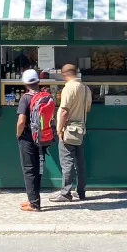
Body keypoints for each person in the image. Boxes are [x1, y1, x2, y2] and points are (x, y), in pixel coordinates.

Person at [50, 64, 92, 202]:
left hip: (68, 130)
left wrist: (59, 129)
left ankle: (65, 193)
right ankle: (81, 191)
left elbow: (63, 111)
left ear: (64, 74)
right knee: (80, 163)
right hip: (81, 130)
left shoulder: (68, 88)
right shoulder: (86, 88)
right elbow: (88, 109)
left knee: (67, 163)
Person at [17, 69, 46, 212]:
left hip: (28, 137)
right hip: (42, 137)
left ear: (25, 83)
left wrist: (18, 135)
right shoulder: (45, 96)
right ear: (38, 81)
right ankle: (33, 198)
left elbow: (21, 121)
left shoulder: (25, 98)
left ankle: (34, 203)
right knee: (37, 169)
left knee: (29, 169)